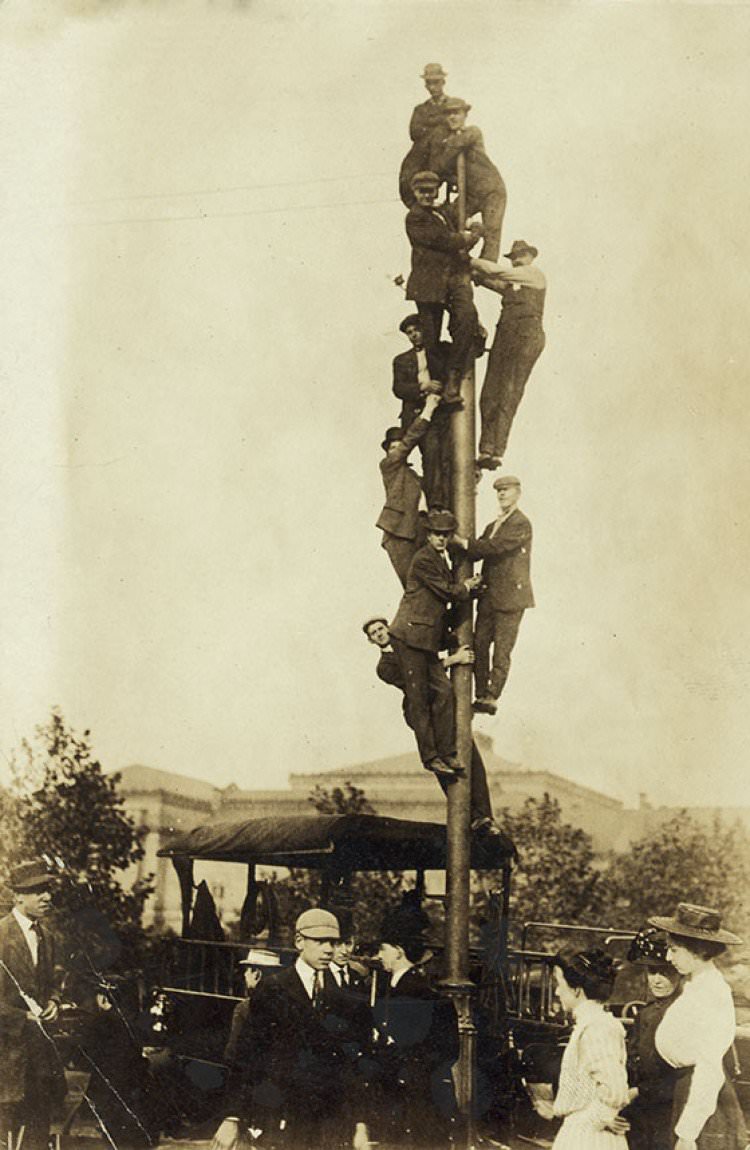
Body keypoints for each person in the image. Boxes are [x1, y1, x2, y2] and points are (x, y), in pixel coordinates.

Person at [212, 908, 368, 1150]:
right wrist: (232, 1117)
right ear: (299, 942)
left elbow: (351, 1067)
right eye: (319, 941)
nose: (329, 949)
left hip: (328, 1126)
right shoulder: (272, 990)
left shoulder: (343, 999)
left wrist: (359, 1125)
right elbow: (246, 1056)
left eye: (333, 942)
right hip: (280, 1121)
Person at [362, 616, 503, 837]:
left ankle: (485, 816)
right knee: (445, 768)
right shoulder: (384, 668)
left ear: (388, 628)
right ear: (371, 641)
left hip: (444, 706)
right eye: (374, 633)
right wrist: (454, 660)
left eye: (381, 628)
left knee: (471, 758)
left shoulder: (410, 642)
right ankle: (472, 816)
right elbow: (419, 677)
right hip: (424, 714)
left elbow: (431, 651)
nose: (379, 633)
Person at [389, 508, 483, 779]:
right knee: (419, 700)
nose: (441, 539)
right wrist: (467, 587)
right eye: (437, 535)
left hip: (424, 640)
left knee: (443, 693)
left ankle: (447, 752)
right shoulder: (424, 560)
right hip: (408, 638)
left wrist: (467, 587)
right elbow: (448, 591)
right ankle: (431, 757)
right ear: (429, 535)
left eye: (445, 535)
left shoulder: (438, 558)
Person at [648, 902, 745, 1150]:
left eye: (674, 950)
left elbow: (709, 1067)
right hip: (685, 1090)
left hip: (703, 1103)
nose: (669, 957)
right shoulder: (695, 985)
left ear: (698, 950)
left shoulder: (712, 992)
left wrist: (689, 1132)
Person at [371, 906, 459, 1147]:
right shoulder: (397, 987)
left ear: (398, 952)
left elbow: (440, 1047)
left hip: (415, 1093)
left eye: (382, 949)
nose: (379, 955)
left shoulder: (417, 993)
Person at [533, 947, 630, 1150]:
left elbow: (615, 1090)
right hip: (584, 1132)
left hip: (590, 1138)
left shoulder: (597, 1027)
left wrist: (598, 1118)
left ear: (577, 990)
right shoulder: (590, 1024)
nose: (557, 992)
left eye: (559, 985)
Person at [0, 859, 67, 1150]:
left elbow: (54, 982)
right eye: (37, 890)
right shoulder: (1, 935)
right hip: (6, 1053)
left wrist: (53, 1001)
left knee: (37, 1130)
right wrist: (22, 1017)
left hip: (40, 1055)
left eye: (48, 889)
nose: (47, 897)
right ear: (18, 896)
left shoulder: (48, 936)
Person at [453, 475, 533, 715]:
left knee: (501, 650)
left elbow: (492, 548)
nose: (501, 495)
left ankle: (491, 695)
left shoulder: (521, 523)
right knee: (479, 643)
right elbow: (479, 550)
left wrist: (463, 543)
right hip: (489, 596)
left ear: (518, 493)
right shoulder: (493, 526)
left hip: (511, 599)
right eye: (499, 491)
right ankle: (480, 694)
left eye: (506, 490)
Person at [404, 169, 480, 404]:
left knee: (467, 318)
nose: (427, 195)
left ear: (437, 190)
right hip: (428, 283)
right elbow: (442, 240)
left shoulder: (440, 213)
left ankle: (454, 376)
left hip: (452, 279)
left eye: (431, 191)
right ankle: (441, 386)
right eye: (422, 191)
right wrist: (470, 237)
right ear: (415, 193)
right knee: (431, 338)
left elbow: (460, 214)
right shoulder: (415, 217)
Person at [472, 241, 546, 470]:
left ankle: (497, 449)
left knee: (510, 391)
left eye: (522, 255)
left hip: (526, 335)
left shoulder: (533, 275)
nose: (517, 259)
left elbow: (496, 272)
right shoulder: (513, 284)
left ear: (531, 257)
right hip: (506, 334)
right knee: (490, 392)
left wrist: (469, 261)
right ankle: (486, 449)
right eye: (514, 256)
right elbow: (493, 281)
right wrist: (476, 276)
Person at [623, 927, 682, 1150]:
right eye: (651, 972)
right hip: (641, 1110)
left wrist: (639, 1091)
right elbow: (634, 1058)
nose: (657, 980)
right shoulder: (646, 1013)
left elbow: (678, 1075)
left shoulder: (682, 1011)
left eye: (665, 972)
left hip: (669, 1109)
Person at [428, 98, 507, 261]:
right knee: (450, 216)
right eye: (448, 114)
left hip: (491, 189)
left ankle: (486, 267)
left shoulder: (472, 132)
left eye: (456, 113)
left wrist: (445, 145)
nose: (452, 118)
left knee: (492, 231)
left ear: (465, 115)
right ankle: (463, 249)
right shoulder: (448, 141)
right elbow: (439, 169)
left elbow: (449, 154)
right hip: (471, 193)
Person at [377, 391, 442, 585]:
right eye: (393, 448)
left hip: (417, 531)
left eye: (399, 446)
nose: (397, 450)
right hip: (399, 533)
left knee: (428, 584)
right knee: (414, 586)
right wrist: (427, 412)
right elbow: (408, 443)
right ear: (388, 452)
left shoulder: (412, 477)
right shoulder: (388, 466)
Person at [391, 315, 453, 509]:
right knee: (431, 455)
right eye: (409, 333)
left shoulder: (441, 351)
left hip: (439, 414)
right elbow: (398, 388)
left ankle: (443, 504)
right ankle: (435, 506)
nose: (414, 335)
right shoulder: (401, 360)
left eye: (416, 330)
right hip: (416, 417)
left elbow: (465, 351)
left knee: (444, 459)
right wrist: (423, 386)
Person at [398, 64, 460, 207]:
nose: (432, 87)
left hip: (445, 149)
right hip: (422, 152)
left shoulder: (453, 105)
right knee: (408, 175)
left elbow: (455, 125)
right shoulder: (420, 109)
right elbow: (414, 132)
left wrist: (430, 124)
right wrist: (440, 122)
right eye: (429, 83)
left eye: (436, 82)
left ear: (443, 82)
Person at [223, 947, 281, 1064]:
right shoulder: (288, 1003)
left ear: (257, 974)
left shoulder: (244, 1008)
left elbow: (232, 1053)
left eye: (247, 970)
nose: (245, 974)